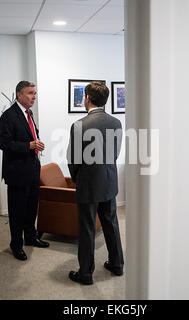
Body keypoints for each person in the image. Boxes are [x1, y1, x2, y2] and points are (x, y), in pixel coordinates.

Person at [67, 82, 124, 285]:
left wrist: (76, 177)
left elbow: (73, 160)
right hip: (109, 182)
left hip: (89, 184)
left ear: (88, 99)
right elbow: (114, 153)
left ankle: (85, 273)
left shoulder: (80, 125)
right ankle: (117, 264)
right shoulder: (116, 122)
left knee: (87, 228)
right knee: (111, 224)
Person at [0, 81, 49, 261]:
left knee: (31, 208)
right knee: (17, 210)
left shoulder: (29, 113)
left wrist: (37, 142)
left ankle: (31, 237)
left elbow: (29, 135)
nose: (34, 96)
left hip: (33, 169)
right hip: (17, 172)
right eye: (30, 93)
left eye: (35, 93)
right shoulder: (8, 116)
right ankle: (16, 245)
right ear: (19, 95)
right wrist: (29, 145)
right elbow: (4, 144)